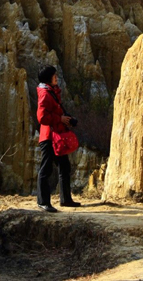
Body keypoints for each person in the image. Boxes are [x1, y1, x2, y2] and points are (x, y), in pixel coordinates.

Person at [36, 65, 81, 212]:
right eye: (54, 75)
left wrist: (67, 119)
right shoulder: (45, 93)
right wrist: (59, 119)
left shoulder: (52, 92)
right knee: (46, 168)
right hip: (48, 137)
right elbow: (42, 117)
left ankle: (66, 199)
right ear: (48, 78)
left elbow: (56, 112)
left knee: (64, 167)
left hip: (56, 136)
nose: (56, 77)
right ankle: (43, 202)